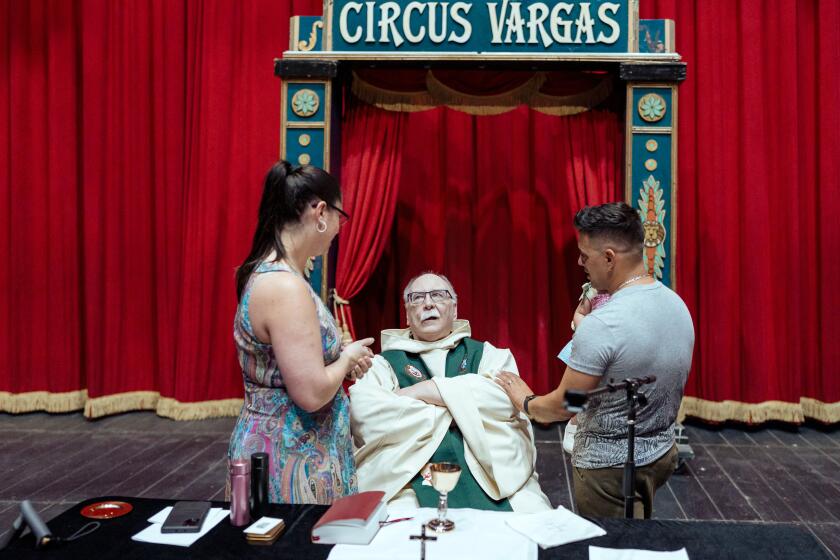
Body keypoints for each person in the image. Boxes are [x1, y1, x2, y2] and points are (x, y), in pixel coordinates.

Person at [496, 202, 694, 519]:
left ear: (609, 258)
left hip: (610, 470)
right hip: (660, 454)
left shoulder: (602, 324)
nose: (580, 262)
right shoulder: (676, 305)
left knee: (611, 549)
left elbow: (567, 405)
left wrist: (527, 401)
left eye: (585, 255)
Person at [228, 161, 375, 504]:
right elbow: (310, 393)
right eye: (341, 216)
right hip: (290, 456)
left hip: (298, 450)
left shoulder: (278, 275)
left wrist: (338, 361)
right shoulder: (284, 286)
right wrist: (349, 357)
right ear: (320, 211)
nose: (340, 228)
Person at [349, 272, 551, 513]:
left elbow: (506, 401)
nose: (428, 303)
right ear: (406, 314)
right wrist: (461, 409)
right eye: (417, 297)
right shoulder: (380, 364)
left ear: (454, 310)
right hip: (408, 476)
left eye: (438, 295)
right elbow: (366, 414)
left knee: (531, 515)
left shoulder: (490, 355)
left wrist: (421, 391)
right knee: (398, 526)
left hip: (490, 474)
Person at [558, 283, 611, 454]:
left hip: (613, 347)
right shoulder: (594, 289)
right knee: (579, 387)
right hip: (589, 344)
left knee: (603, 391)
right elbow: (580, 313)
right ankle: (573, 421)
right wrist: (586, 332)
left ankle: (599, 425)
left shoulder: (627, 292)